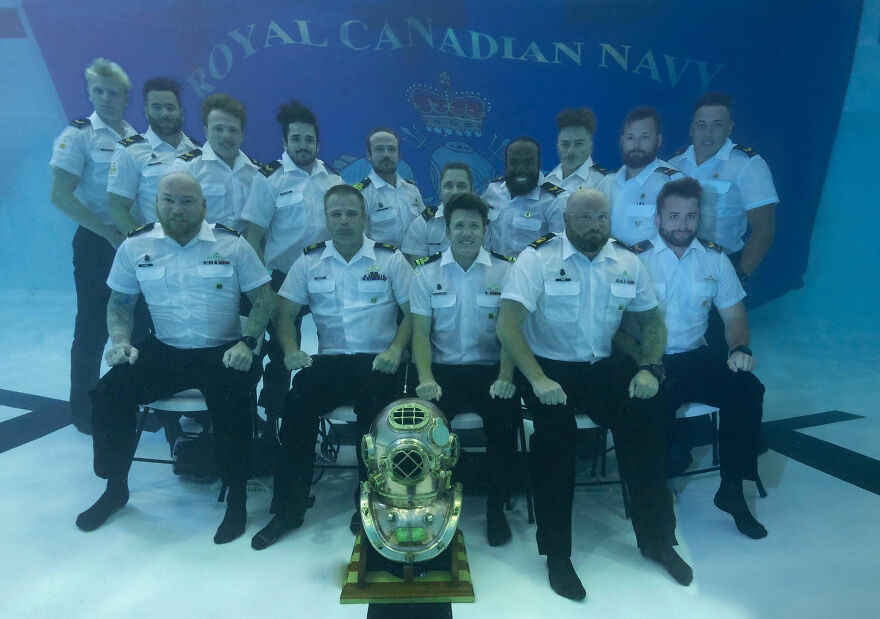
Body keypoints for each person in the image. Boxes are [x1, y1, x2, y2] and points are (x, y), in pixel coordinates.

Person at [497, 189, 691, 600]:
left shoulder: (626, 262)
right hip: (549, 367)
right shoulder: (537, 259)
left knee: (648, 418)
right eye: (584, 218)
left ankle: (658, 539)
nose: (594, 226)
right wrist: (536, 379)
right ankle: (557, 556)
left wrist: (649, 368)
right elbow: (508, 327)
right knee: (554, 440)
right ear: (566, 220)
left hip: (602, 366)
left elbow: (653, 324)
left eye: (601, 218)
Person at [74, 172, 276, 544]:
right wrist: (120, 340)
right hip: (164, 349)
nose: (177, 209)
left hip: (224, 349)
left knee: (231, 401)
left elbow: (264, 298)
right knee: (109, 392)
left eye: (187, 201)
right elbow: (119, 302)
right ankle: (115, 485)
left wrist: (248, 343)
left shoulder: (231, 244)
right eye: (169, 200)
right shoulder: (135, 246)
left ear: (203, 205)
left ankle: (236, 499)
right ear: (156, 204)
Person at [251, 185, 413, 550]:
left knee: (373, 415)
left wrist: (396, 349)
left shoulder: (390, 259)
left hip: (378, 361)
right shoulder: (309, 261)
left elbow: (413, 313)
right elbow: (285, 312)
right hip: (329, 360)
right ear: (326, 219)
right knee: (295, 409)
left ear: (365, 218)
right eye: (336, 214)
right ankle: (288, 509)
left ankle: (370, 501)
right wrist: (291, 348)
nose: (343, 220)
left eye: (351, 213)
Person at [629, 177, 767, 539]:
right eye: (674, 216)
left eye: (690, 216)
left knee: (748, 390)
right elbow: (619, 323)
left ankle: (733, 489)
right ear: (658, 219)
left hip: (695, 355)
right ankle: (654, 501)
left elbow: (735, 317)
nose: (683, 225)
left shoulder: (714, 258)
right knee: (650, 408)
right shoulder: (634, 259)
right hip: (650, 360)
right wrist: (641, 363)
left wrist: (739, 349)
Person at [410, 192, 519, 546]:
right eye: (460, 225)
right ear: (447, 229)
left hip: (491, 370)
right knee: (425, 430)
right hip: (441, 372)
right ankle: (430, 504)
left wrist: (505, 377)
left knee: (504, 425)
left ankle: (495, 508)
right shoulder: (426, 274)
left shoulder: (506, 271)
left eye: (474, 225)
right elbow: (421, 336)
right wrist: (425, 378)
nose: (467, 232)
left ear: (485, 229)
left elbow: (510, 334)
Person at [241, 100, 343, 422]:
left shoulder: (333, 182)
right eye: (296, 139)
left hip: (326, 277)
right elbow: (253, 238)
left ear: (317, 142)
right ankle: (274, 422)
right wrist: (263, 287)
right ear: (285, 142)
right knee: (281, 352)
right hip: (281, 279)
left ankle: (326, 405)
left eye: (309, 139)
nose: (303, 145)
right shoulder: (269, 179)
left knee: (340, 343)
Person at [50, 58, 137, 434]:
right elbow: (60, 196)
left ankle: (128, 400)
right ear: (89, 92)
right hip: (96, 242)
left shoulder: (133, 135)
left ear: (125, 97)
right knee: (91, 328)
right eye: (98, 91)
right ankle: (84, 414)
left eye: (113, 92)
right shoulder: (78, 135)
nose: (105, 98)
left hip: (130, 242)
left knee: (136, 325)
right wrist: (106, 233)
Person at [668, 92, 778, 284]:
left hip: (720, 267)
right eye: (702, 125)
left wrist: (739, 277)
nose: (708, 134)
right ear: (692, 128)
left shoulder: (748, 165)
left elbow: (764, 229)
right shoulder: (675, 164)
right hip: (672, 266)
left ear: (729, 127)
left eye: (717, 125)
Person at [170, 93, 272, 234]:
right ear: (206, 132)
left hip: (243, 252)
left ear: (242, 135)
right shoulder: (187, 167)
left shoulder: (257, 172)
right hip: (200, 249)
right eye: (218, 129)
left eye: (233, 130)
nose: (226, 136)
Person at [107, 77, 198, 233]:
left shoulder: (198, 150)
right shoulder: (130, 152)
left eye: (170, 108)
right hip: (156, 248)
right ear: (146, 112)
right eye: (157, 107)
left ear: (181, 113)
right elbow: (118, 209)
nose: (164, 114)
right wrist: (145, 247)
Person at [599, 106, 684, 246]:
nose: (636, 145)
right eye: (630, 137)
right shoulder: (607, 183)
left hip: (651, 267)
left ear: (658, 140)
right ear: (621, 140)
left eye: (644, 137)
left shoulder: (673, 184)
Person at [481, 137, 568, 256]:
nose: (521, 169)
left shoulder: (555, 201)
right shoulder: (492, 190)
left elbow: (558, 251)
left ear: (539, 164)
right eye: (514, 162)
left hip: (531, 272)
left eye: (528, 162)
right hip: (493, 270)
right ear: (506, 164)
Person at [353, 127, 425, 247]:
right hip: (380, 263)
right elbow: (359, 240)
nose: (386, 155)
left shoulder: (412, 190)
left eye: (391, 149)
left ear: (398, 155)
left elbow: (425, 228)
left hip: (414, 261)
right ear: (369, 155)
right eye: (379, 149)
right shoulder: (361, 195)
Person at [401, 161, 473, 260]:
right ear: (440, 190)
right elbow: (416, 270)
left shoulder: (484, 224)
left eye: (461, 186)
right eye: (448, 186)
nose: (455, 191)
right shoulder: (422, 225)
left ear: (471, 190)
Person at [545, 107, 610, 192]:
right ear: (557, 147)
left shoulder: (604, 182)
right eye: (565, 144)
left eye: (578, 144)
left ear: (590, 146)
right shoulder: (546, 181)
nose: (570, 151)